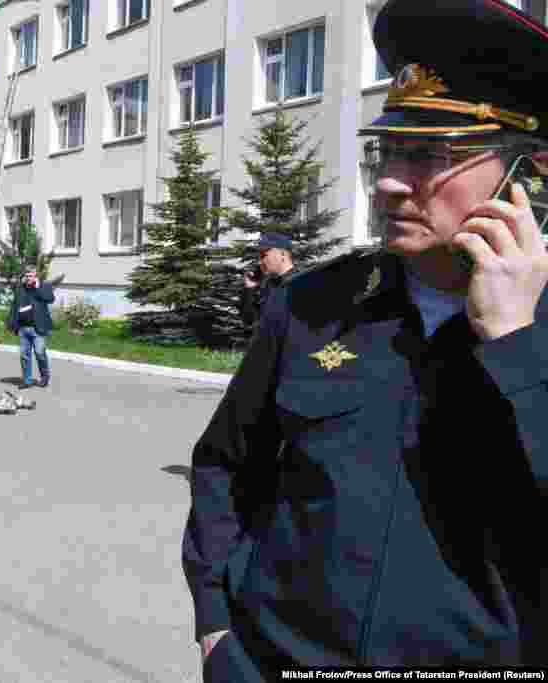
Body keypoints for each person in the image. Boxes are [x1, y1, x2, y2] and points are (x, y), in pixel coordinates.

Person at [183, 0, 548, 676]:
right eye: (388, 149)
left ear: (524, 171)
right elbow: (226, 466)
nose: (385, 181)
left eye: (429, 154)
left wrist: (514, 347)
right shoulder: (313, 303)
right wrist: (216, 625)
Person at [6, 263, 55, 388]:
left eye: (31, 276)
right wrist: (11, 323)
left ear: (35, 275)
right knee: (24, 355)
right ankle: (27, 381)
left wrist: (37, 287)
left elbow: (49, 298)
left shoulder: (44, 286)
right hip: (23, 328)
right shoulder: (20, 288)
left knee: (39, 353)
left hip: (37, 327)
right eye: (26, 276)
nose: (28, 278)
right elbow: (15, 306)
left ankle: (44, 377)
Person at [238, 231, 295, 328]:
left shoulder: (299, 282)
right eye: (259, 256)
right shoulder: (267, 285)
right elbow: (249, 321)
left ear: (282, 254)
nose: (260, 262)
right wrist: (250, 289)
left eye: (264, 255)